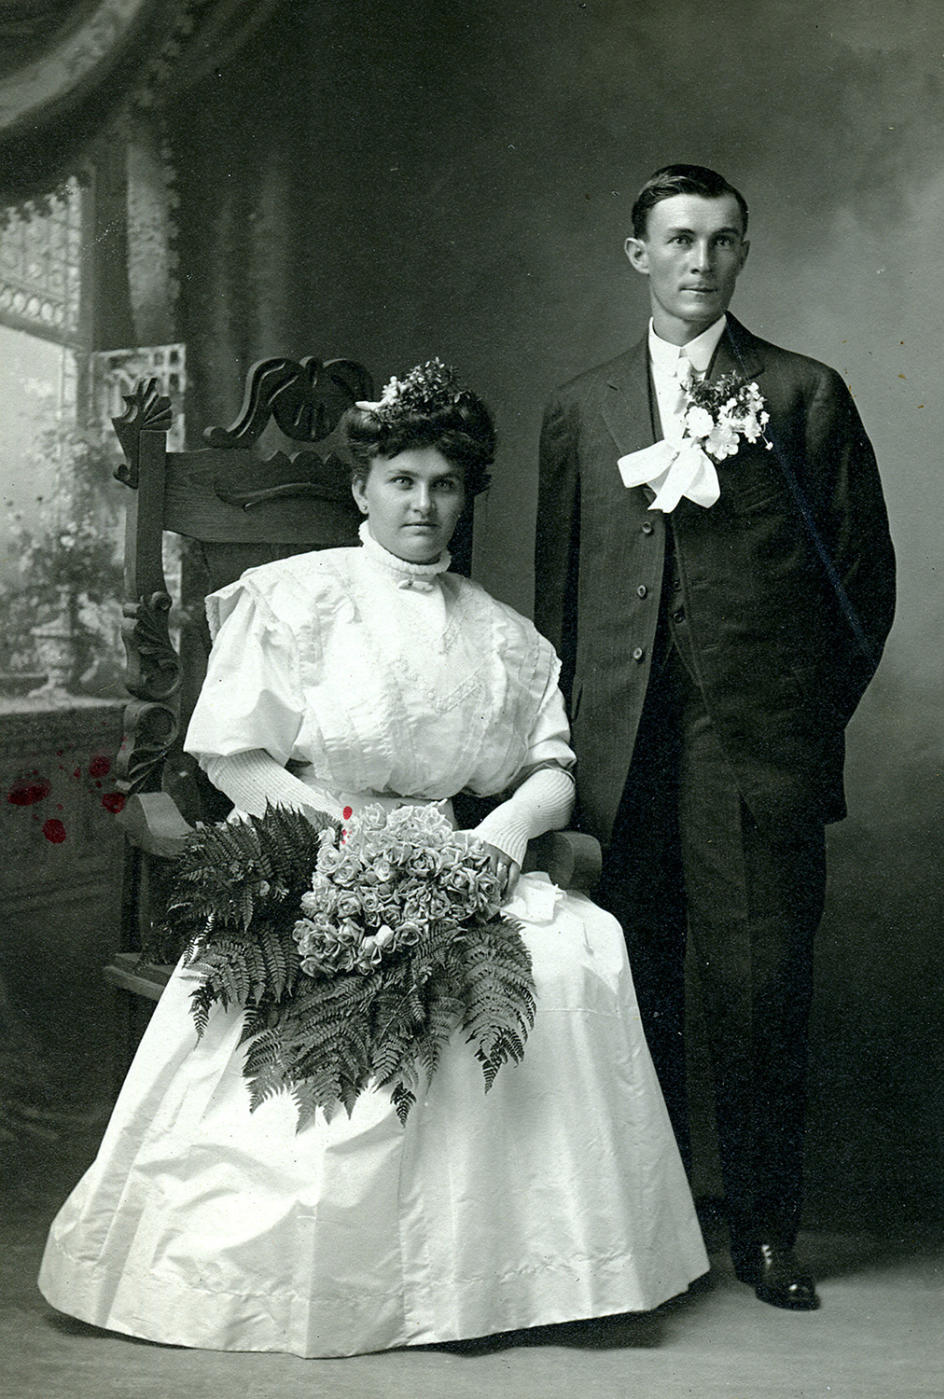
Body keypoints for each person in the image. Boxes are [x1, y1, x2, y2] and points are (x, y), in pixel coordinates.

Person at [38, 362, 708, 1358]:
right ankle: (343, 1279)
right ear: (362, 487)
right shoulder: (295, 599)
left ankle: (508, 1275)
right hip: (314, 848)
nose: (424, 505)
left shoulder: (504, 638)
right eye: (402, 480)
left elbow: (552, 769)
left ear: (464, 495)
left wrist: (504, 831)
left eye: (444, 484)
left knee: (576, 952)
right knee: (342, 988)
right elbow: (231, 748)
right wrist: (334, 839)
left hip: (455, 853)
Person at [535, 165, 896, 1311]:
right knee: (629, 991)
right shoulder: (580, 408)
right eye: (680, 240)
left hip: (753, 755)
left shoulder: (802, 393)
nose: (703, 262)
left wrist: (794, 723)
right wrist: (566, 749)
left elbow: (862, 590)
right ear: (637, 253)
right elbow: (559, 602)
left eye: (725, 242)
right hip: (618, 754)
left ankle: (767, 1233)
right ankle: (646, 1227)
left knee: (758, 989)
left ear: (744, 255)